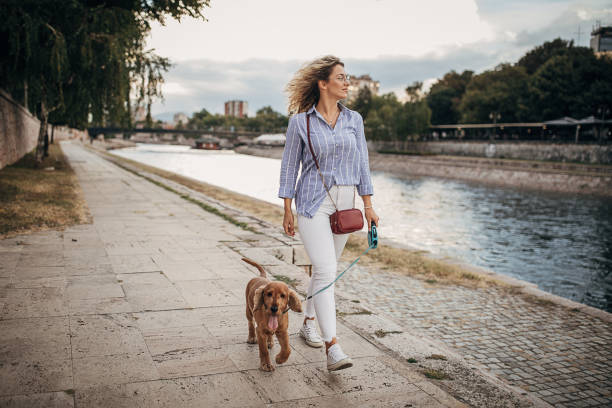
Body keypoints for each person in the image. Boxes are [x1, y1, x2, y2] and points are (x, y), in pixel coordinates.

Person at [278, 55, 379, 371]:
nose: (347, 83)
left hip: (345, 206)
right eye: (341, 77)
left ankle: (308, 321)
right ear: (323, 83)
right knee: (324, 269)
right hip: (311, 204)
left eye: (347, 77)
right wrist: (286, 209)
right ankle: (332, 347)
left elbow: (362, 164)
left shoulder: (354, 120)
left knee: (325, 271)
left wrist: (369, 206)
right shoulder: (300, 123)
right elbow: (289, 167)